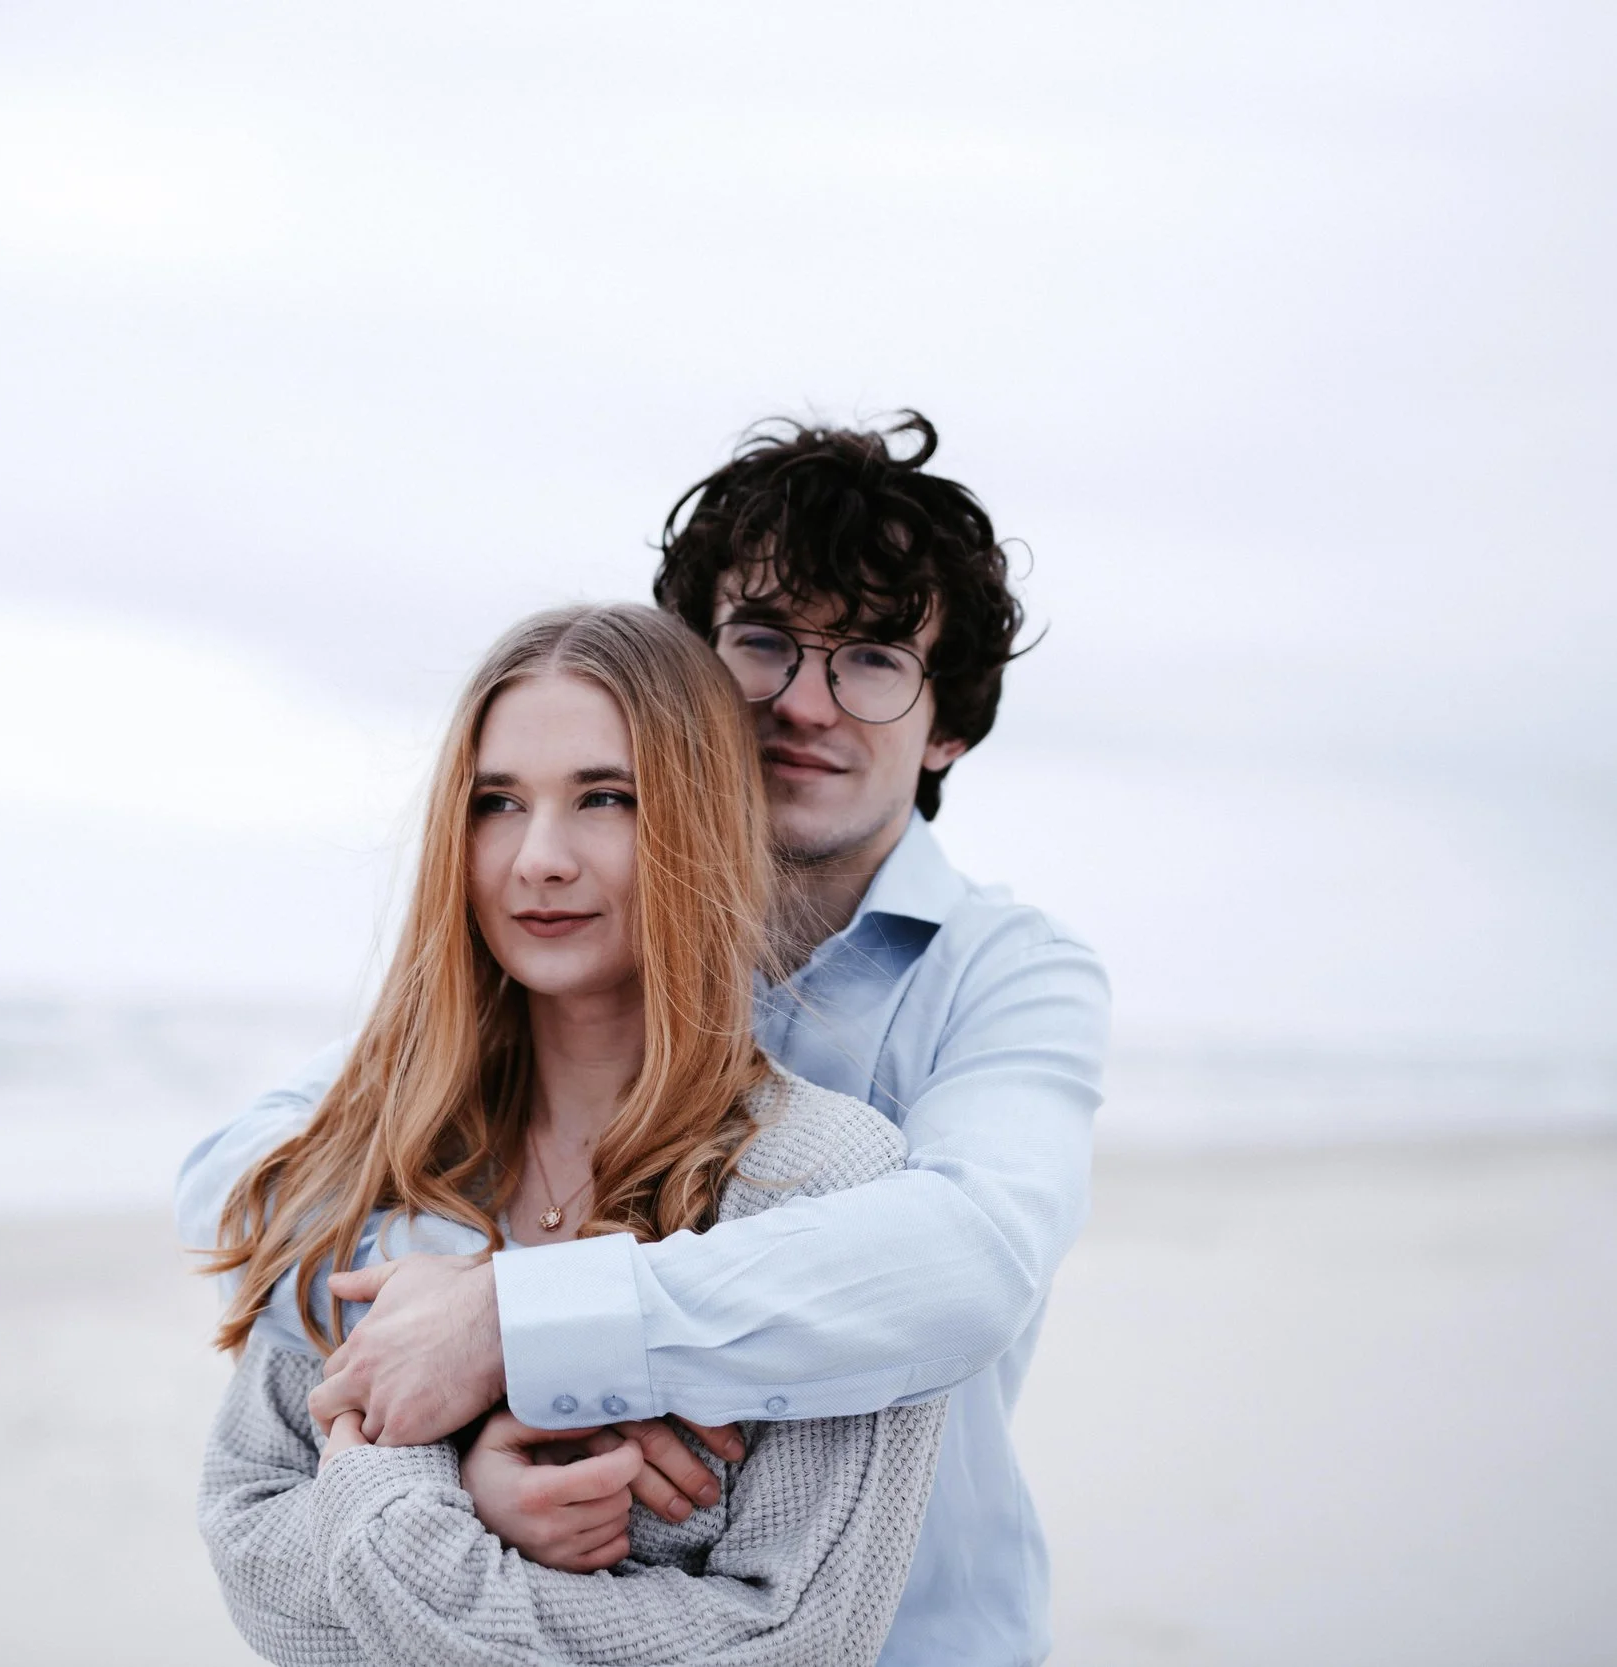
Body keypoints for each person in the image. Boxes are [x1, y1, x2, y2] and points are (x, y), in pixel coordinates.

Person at [180, 415, 1111, 1666]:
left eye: (874, 659)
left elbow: (966, 1260)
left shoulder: (1003, 975)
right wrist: (453, 1379)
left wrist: (519, 1327)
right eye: (763, 641)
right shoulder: (549, 978)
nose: (805, 702)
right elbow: (248, 1181)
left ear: (948, 723)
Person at [197, 604, 947, 1665]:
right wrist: (462, 1492)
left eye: (605, 797)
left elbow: (792, 1639)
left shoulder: (823, 1180)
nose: (538, 858)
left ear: (701, 820)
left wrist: (396, 1489)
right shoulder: (386, 1144)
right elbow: (248, 1545)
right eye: (497, 802)